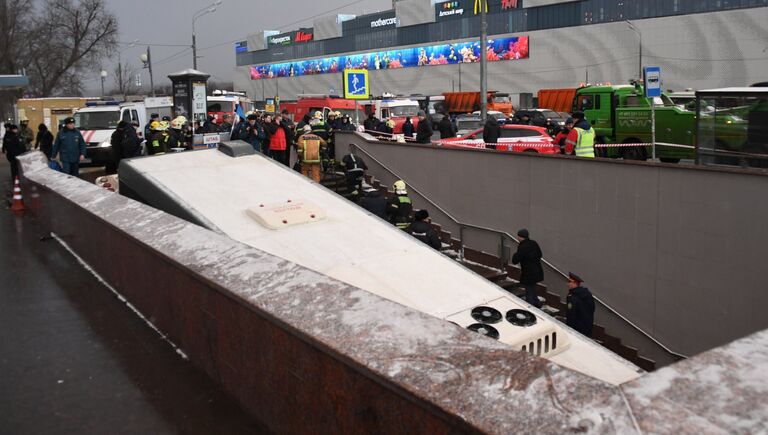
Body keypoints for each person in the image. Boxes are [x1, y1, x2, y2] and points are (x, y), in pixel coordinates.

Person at [511, 229, 544, 308]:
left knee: (529, 290)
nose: (517, 238)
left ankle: (531, 308)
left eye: (518, 236)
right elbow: (540, 254)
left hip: (528, 273)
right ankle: (536, 303)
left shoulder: (522, 246)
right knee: (532, 287)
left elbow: (515, 260)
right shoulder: (533, 243)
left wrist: (516, 254)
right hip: (537, 271)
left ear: (521, 237)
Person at [565, 272, 595, 337]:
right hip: (587, 327)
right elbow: (592, 309)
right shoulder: (587, 294)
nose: (567, 284)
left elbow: (571, 314)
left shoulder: (572, 297)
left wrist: (569, 328)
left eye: (569, 282)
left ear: (575, 283)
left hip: (576, 329)